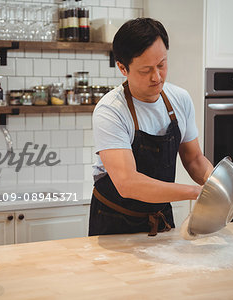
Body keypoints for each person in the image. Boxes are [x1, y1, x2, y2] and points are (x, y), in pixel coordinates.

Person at [89, 18, 213, 237]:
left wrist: (218, 185)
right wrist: (197, 192)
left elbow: (194, 159)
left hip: (161, 216)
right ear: (122, 68)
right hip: (116, 223)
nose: (157, 77)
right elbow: (129, 183)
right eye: (146, 70)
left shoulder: (180, 99)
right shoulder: (110, 111)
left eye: (162, 65)